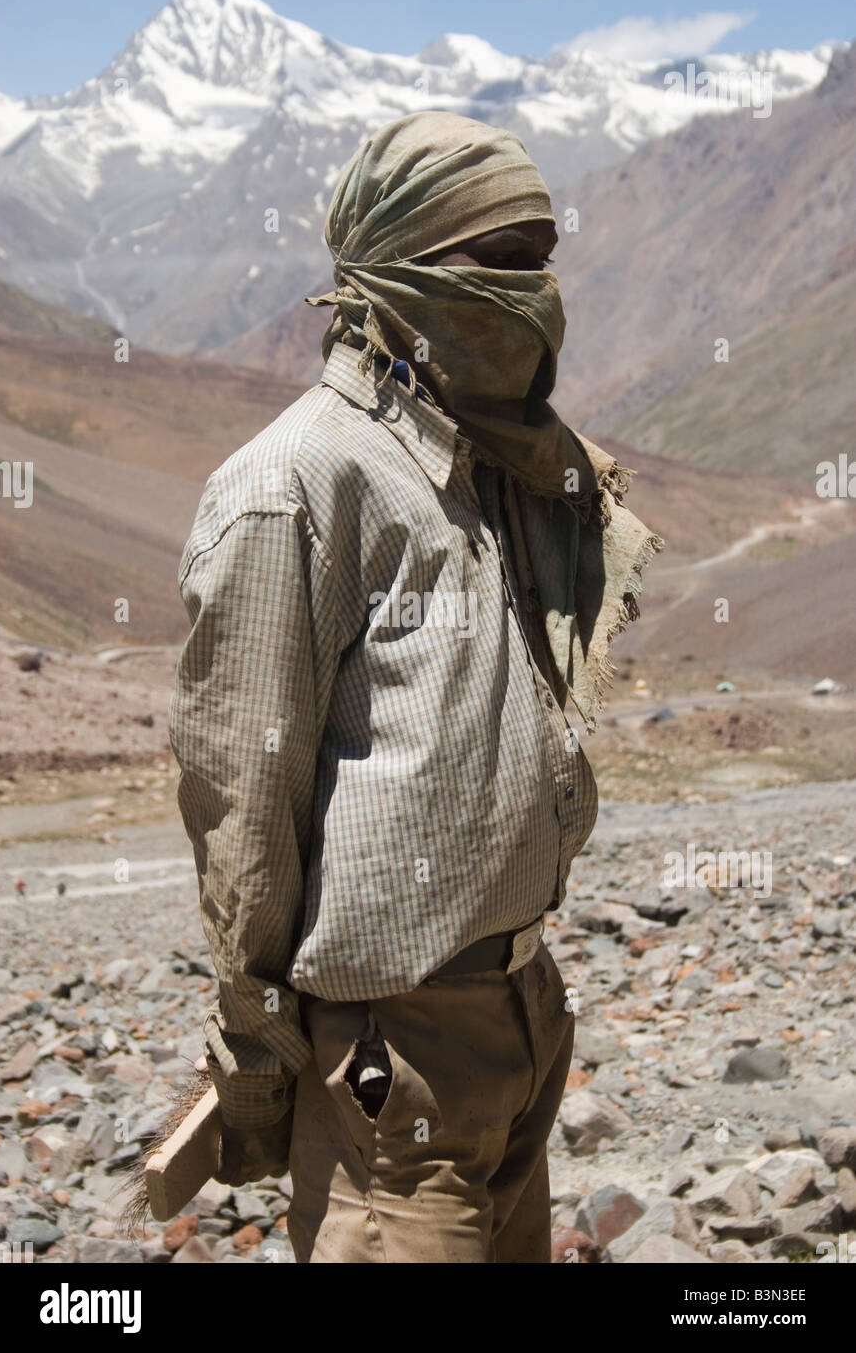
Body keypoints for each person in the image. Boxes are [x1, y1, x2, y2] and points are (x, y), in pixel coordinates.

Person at [171, 112, 663, 1264]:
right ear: (391, 266)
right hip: (390, 1058)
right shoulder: (295, 485)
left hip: (519, 1015)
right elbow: (243, 798)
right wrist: (252, 1051)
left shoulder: (490, 458)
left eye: (540, 261)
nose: (531, 293)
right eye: (495, 265)